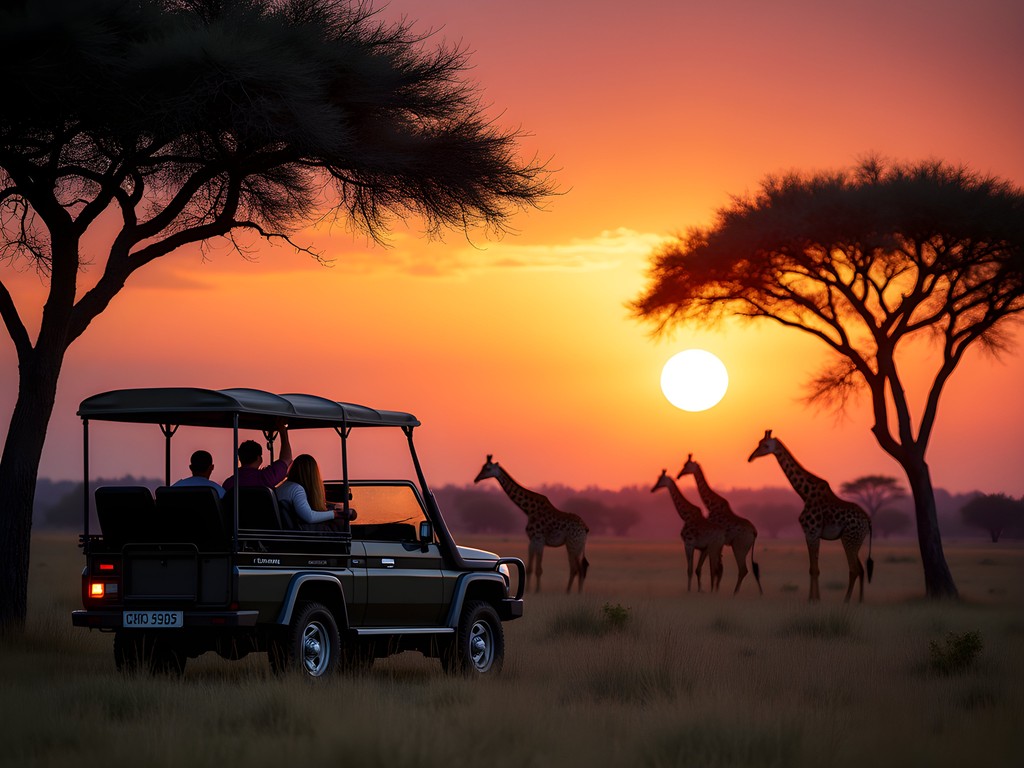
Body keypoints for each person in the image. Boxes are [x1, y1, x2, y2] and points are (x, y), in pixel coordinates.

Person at [275, 453, 356, 531]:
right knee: (338, 524)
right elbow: (309, 517)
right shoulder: (296, 489)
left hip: (289, 529)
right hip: (297, 533)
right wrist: (335, 514)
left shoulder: (284, 486)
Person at [222, 426, 293, 491]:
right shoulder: (265, 478)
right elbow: (286, 459)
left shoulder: (229, 483)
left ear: (240, 458)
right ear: (259, 458)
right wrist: (283, 431)